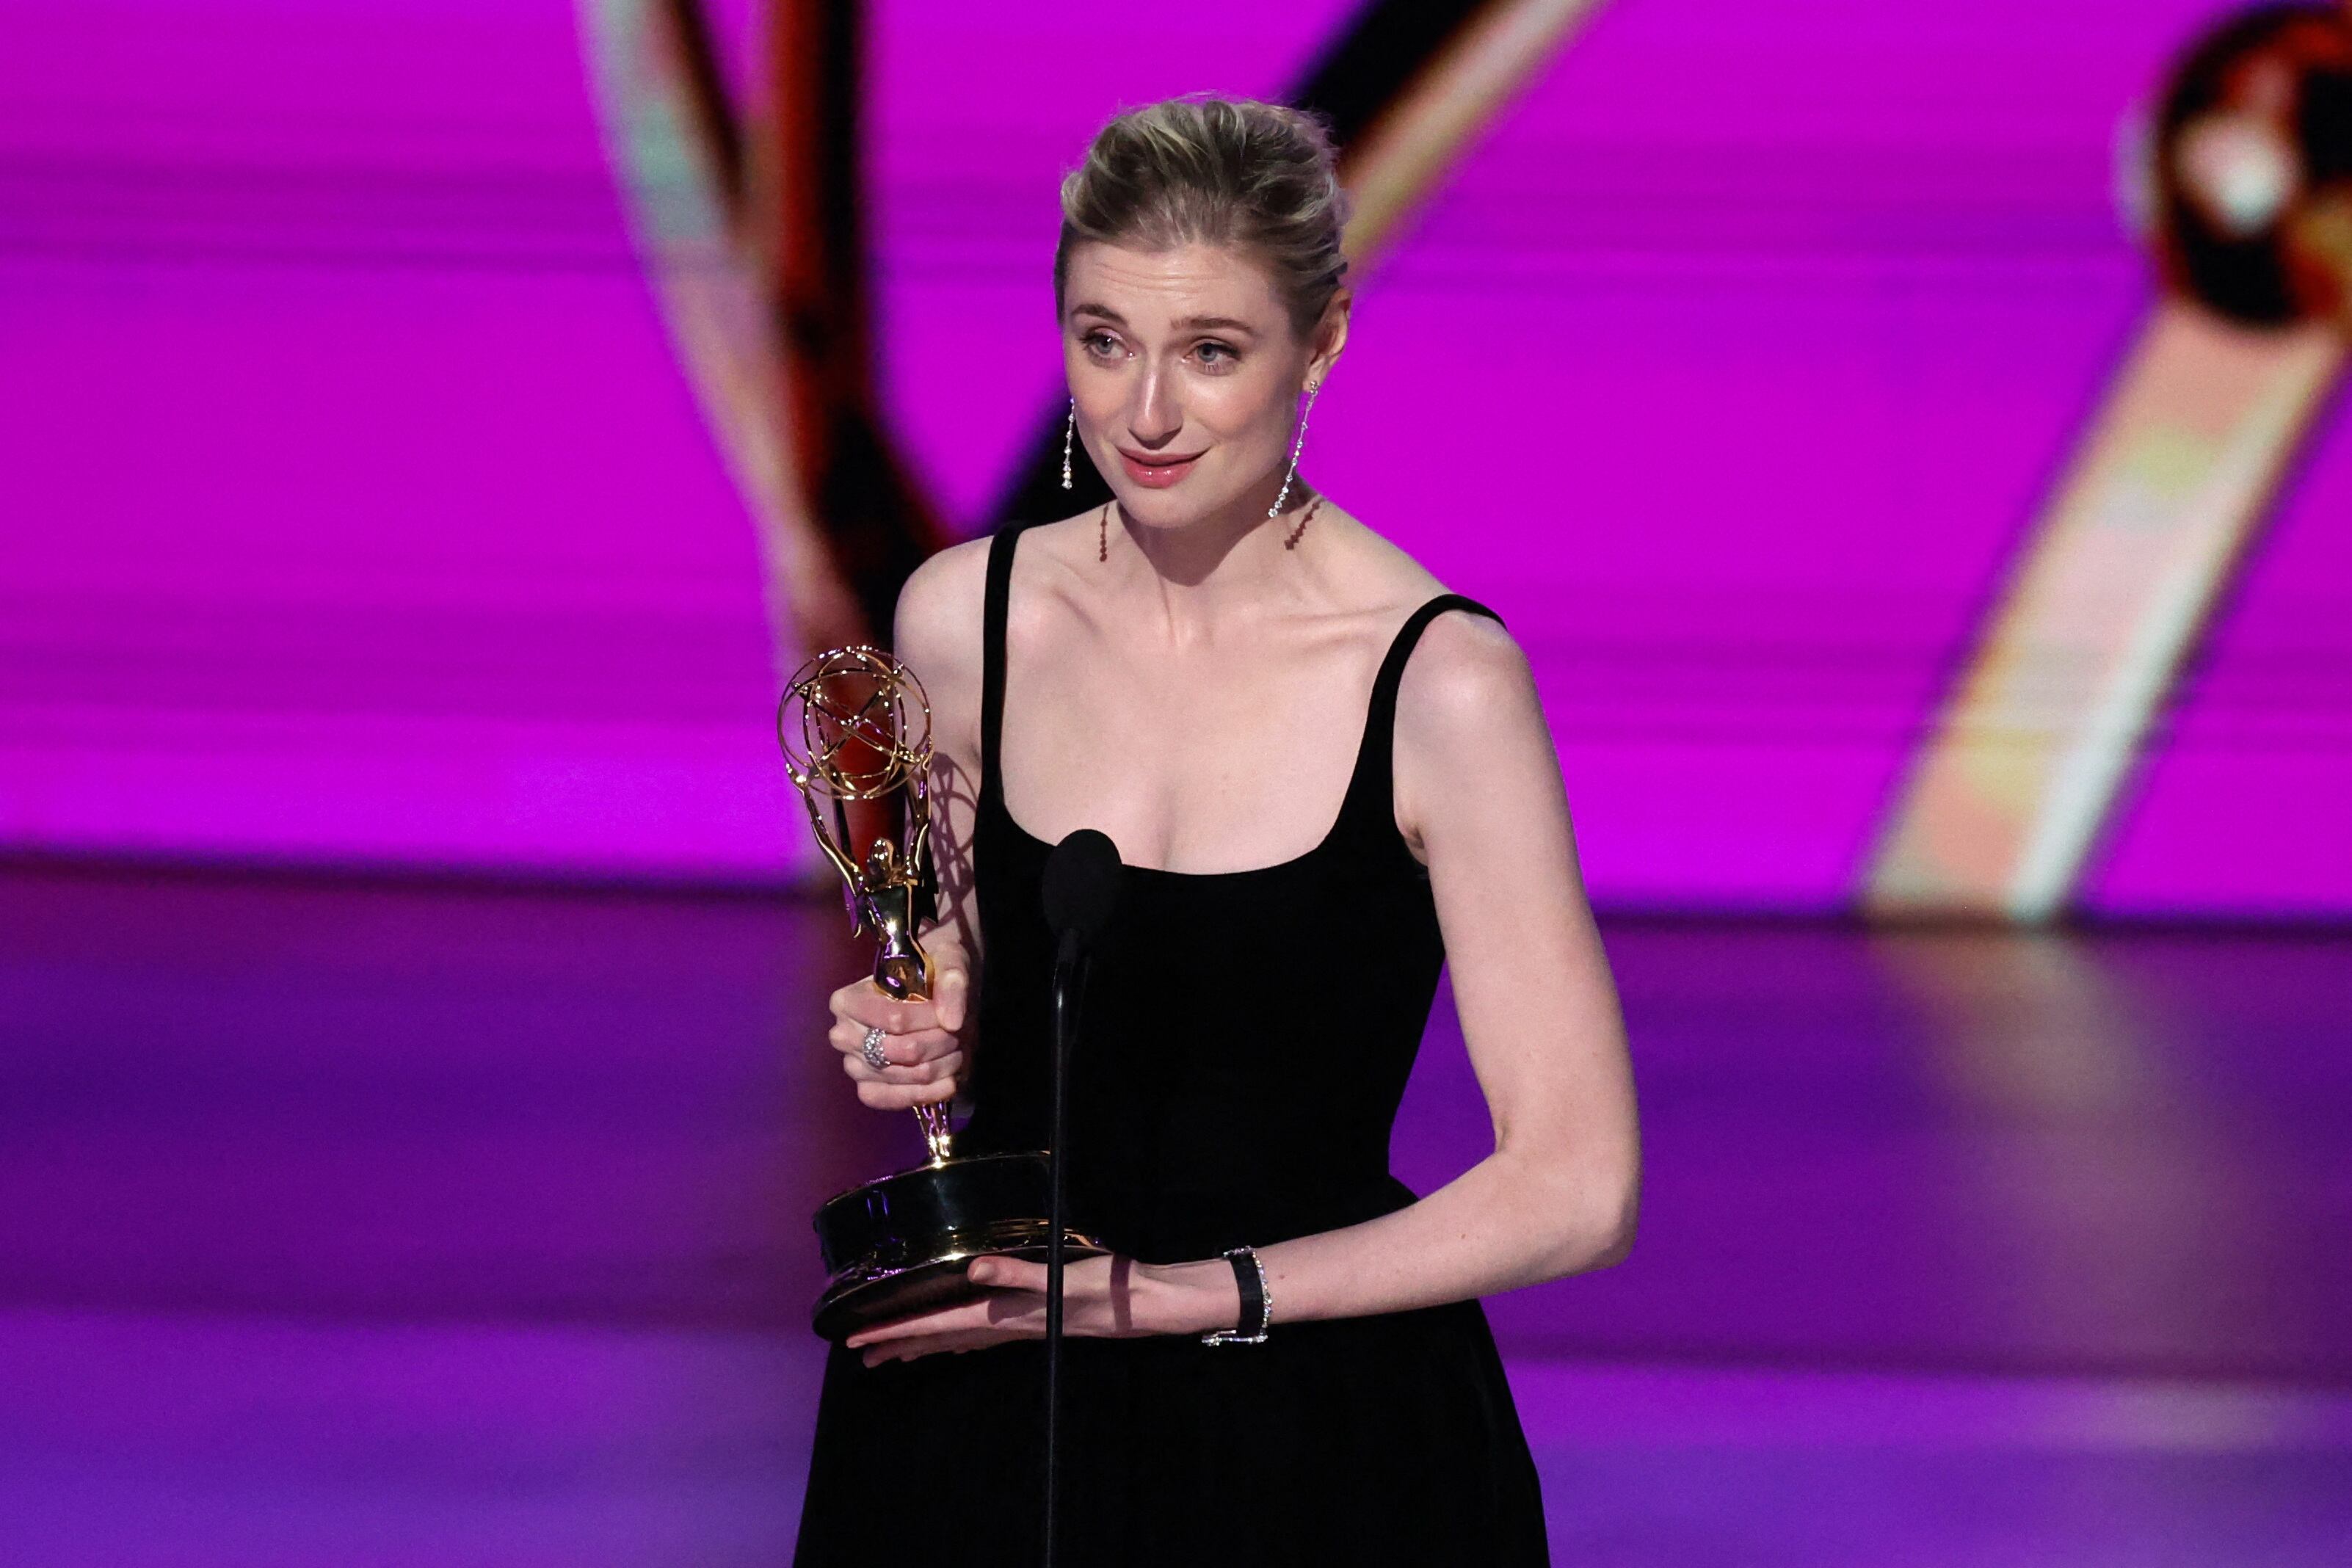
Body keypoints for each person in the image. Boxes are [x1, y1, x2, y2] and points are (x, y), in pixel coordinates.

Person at [793, 95, 1639, 1567]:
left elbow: (1576, 1183)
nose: (1146, 414)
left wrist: (1193, 1298)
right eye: (1103, 340)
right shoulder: (967, 619)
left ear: (1322, 343)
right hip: (990, 1410)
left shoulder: (1438, 682)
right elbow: (953, 970)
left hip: (1314, 1434)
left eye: (1211, 352)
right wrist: (912, 1025)